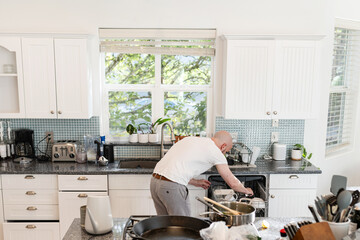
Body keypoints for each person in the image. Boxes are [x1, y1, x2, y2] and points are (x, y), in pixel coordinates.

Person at [150, 130, 254, 216]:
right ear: (223, 146)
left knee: (165, 225)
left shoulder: (190, 140)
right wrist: (246, 190)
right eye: (226, 150)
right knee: (182, 225)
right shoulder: (215, 152)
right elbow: (233, 183)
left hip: (155, 182)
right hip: (171, 187)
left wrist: (195, 181)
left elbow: (175, 168)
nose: (225, 153)